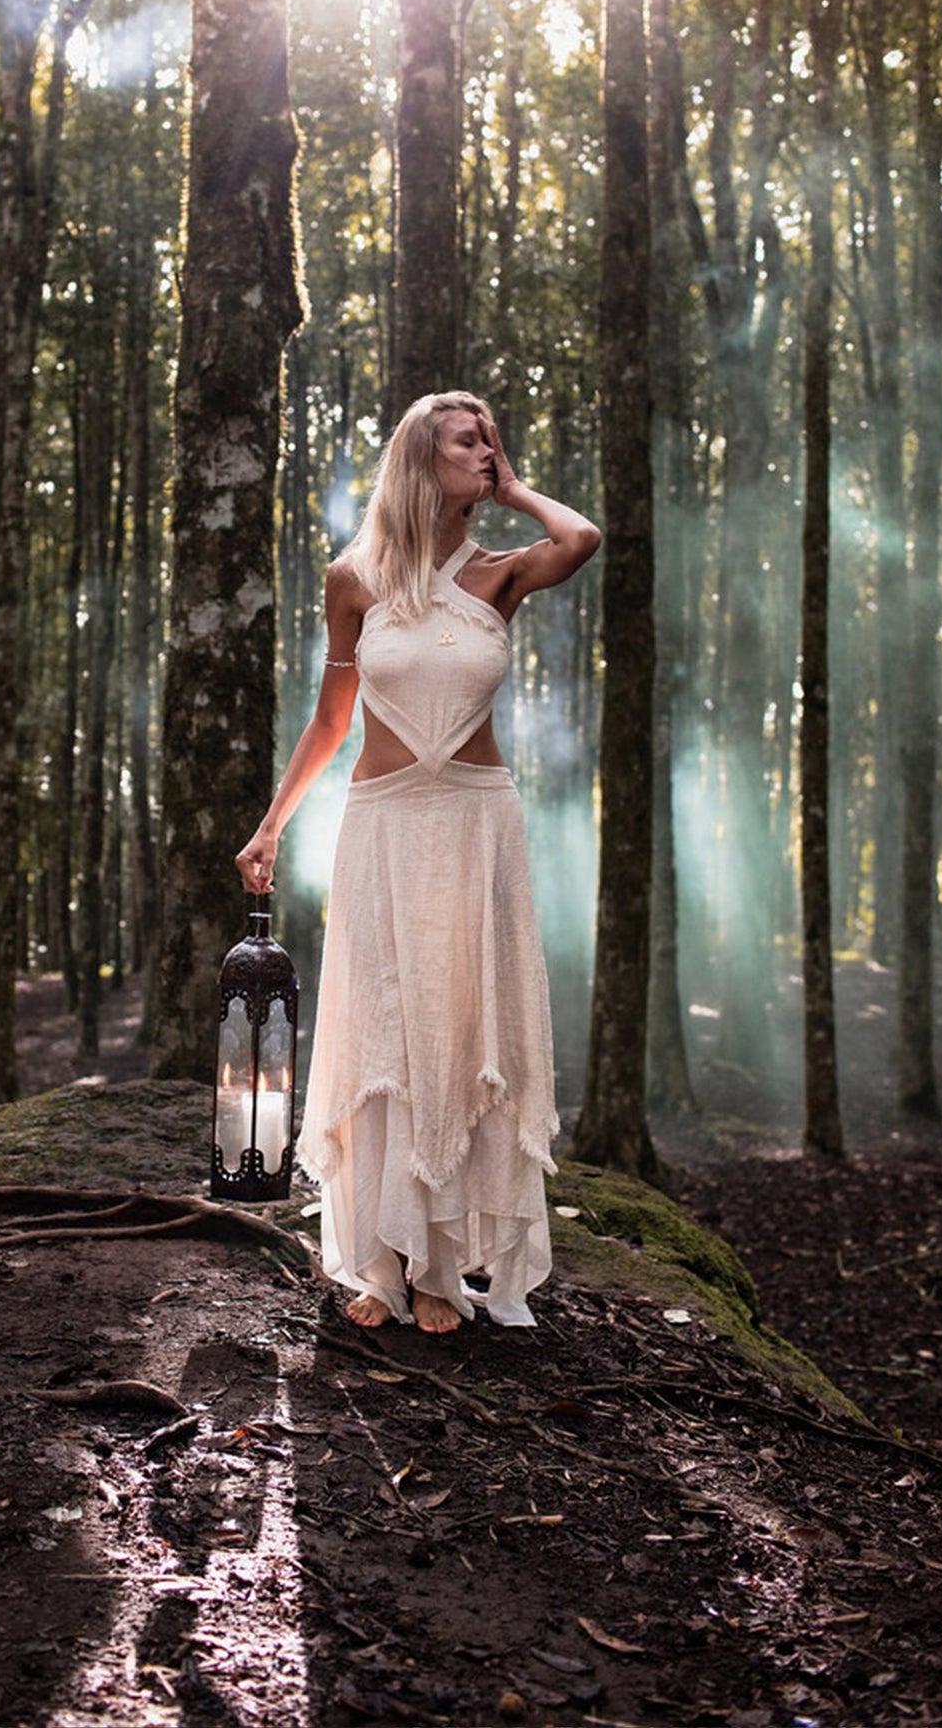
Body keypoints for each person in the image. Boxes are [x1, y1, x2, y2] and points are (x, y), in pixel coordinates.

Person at [236, 390, 601, 1334]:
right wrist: (273, 825)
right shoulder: (354, 579)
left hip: (477, 825)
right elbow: (329, 722)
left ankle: (443, 1268)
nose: (484, 450)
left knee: (460, 1025)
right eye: (465, 440)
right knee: (386, 1025)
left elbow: (583, 537)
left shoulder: (499, 576)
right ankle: (382, 1261)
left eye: (491, 439)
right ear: (419, 459)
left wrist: (516, 489)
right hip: (383, 823)